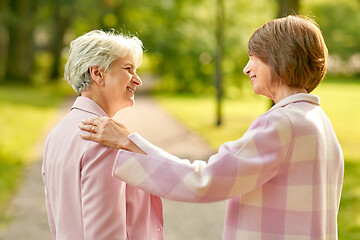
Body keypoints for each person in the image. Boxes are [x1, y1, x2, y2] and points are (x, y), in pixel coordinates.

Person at [79, 15, 344, 240]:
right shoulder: (318, 122)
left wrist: (128, 142)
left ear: (278, 58)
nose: (246, 68)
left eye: (253, 57)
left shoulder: (281, 124)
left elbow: (203, 181)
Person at [42, 30, 163, 240]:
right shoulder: (103, 140)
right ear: (98, 74)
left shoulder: (56, 134)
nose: (138, 81)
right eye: (128, 69)